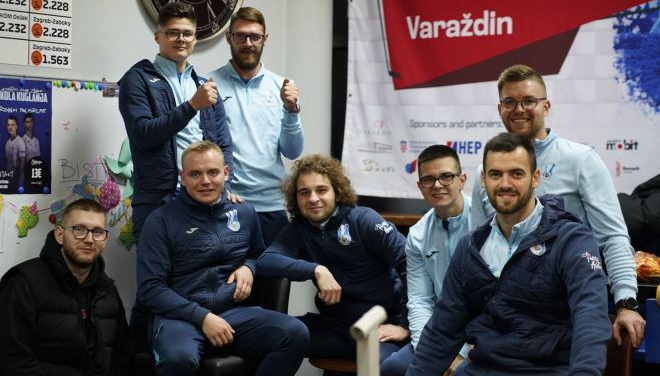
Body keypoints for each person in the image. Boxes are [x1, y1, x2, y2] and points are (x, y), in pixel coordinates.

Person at [408, 132, 611, 376]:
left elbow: (590, 320)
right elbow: (442, 332)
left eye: (516, 173)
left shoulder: (571, 240)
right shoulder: (471, 247)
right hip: (484, 368)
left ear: (536, 178)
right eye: (495, 174)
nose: (505, 184)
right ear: (484, 180)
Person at [470, 64, 645, 347]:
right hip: (505, 319)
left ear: (546, 106)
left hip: (567, 313)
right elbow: (477, 252)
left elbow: (613, 237)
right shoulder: (485, 173)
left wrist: (626, 302)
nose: (519, 109)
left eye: (529, 101)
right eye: (509, 102)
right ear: (500, 109)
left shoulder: (580, 160)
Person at [137, 141, 308, 376]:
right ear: (182, 178)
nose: (205, 181)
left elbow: (259, 255)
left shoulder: (244, 212)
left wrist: (249, 267)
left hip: (232, 314)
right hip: (180, 317)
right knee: (178, 360)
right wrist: (202, 317)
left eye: (213, 172)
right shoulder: (160, 221)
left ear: (226, 173)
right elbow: (150, 288)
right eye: (195, 174)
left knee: (295, 333)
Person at [257, 154, 408, 364]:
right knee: (268, 338)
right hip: (335, 327)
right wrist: (316, 270)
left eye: (321, 190)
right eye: (304, 192)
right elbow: (266, 261)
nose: (313, 198)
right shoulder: (298, 230)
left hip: (378, 326)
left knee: (382, 367)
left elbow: (412, 266)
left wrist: (405, 326)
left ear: (337, 191)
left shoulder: (363, 219)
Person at [118, 1, 233, 242]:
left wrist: (226, 187)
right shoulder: (137, 79)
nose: (181, 39)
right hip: (158, 201)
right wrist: (192, 106)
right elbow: (142, 135)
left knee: (204, 264)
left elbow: (223, 145)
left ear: (195, 39)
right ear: (157, 37)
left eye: (187, 33)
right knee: (157, 266)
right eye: (172, 32)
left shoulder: (204, 86)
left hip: (203, 199)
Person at [0, 199, 131, 376]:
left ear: (105, 239)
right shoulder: (23, 283)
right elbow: (14, 361)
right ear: (60, 235)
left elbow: (122, 358)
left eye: (97, 232)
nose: (89, 239)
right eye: (79, 230)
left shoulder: (108, 291)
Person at [207, 7, 303, 246]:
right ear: (228, 38)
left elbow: (292, 151)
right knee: (232, 272)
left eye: (254, 36)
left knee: (274, 271)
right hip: (228, 203)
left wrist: (292, 109)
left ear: (264, 39)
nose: (248, 43)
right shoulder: (208, 85)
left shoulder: (281, 86)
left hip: (274, 205)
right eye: (240, 36)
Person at [381, 145, 471, 376]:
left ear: (462, 180)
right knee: (392, 369)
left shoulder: (487, 221)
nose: (437, 185)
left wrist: (463, 353)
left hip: (482, 335)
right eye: (429, 179)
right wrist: (431, 354)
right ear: (420, 187)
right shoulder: (418, 235)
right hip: (440, 334)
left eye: (446, 176)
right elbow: (420, 301)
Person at [5, 115, 26, 190]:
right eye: (8, 125)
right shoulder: (7, 143)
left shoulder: (20, 142)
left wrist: (20, 181)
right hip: (9, 180)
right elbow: (8, 163)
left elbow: (23, 163)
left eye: (12, 125)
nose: (10, 127)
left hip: (18, 181)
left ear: (16, 126)